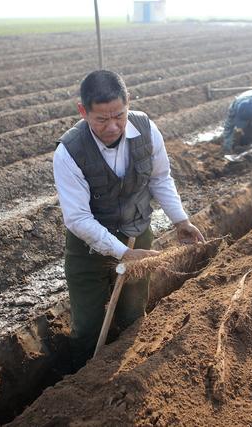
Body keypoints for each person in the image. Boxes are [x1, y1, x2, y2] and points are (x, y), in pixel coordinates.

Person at [53, 70, 204, 370]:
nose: (112, 127)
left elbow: (160, 178)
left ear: (128, 102)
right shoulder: (69, 152)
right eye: (101, 119)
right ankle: (80, 384)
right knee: (87, 326)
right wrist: (121, 252)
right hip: (89, 249)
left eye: (119, 116)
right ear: (83, 111)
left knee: (133, 314)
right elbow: (78, 218)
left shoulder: (146, 129)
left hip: (138, 234)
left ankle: (129, 370)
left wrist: (180, 221)